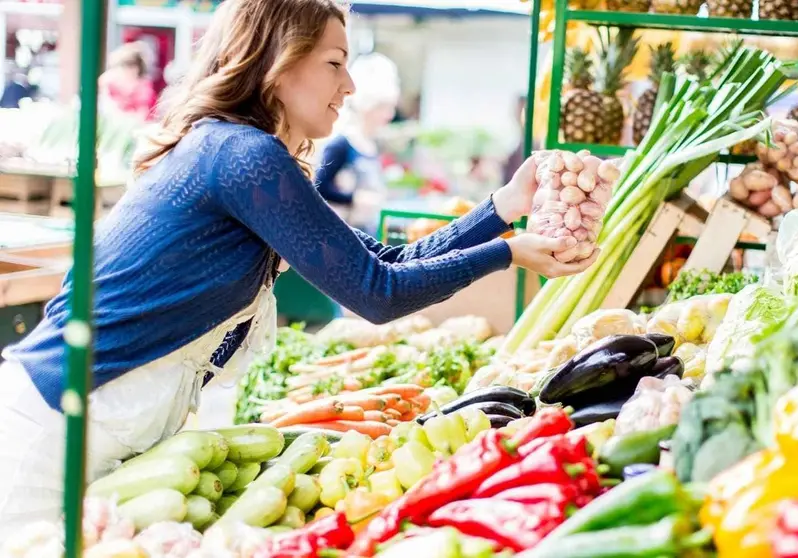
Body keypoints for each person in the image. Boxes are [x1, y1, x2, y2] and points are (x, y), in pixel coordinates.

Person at [0, 0, 597, 538]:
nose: (350, 84)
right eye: (335, 63)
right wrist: (508, 253)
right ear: (279, 63)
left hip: (93, 427)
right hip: (52, 435)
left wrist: (503, 209)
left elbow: (382, 263)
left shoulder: (237, 151)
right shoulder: (244, 156)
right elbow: (378, 293)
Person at [313, 52, 400, 235]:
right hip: (345, 234)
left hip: (368, 233)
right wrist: (354, 198)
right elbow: (319, 187)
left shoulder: (371, 144)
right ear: (368, 106)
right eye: (383, 108)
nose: (389, 115)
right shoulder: (341, 145)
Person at [98, 42, 157, 120]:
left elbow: (143, 113)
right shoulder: (111, 81)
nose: (128, 69)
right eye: (125, 65)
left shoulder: (143, 86)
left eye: (132, 65)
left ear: (139, 67)